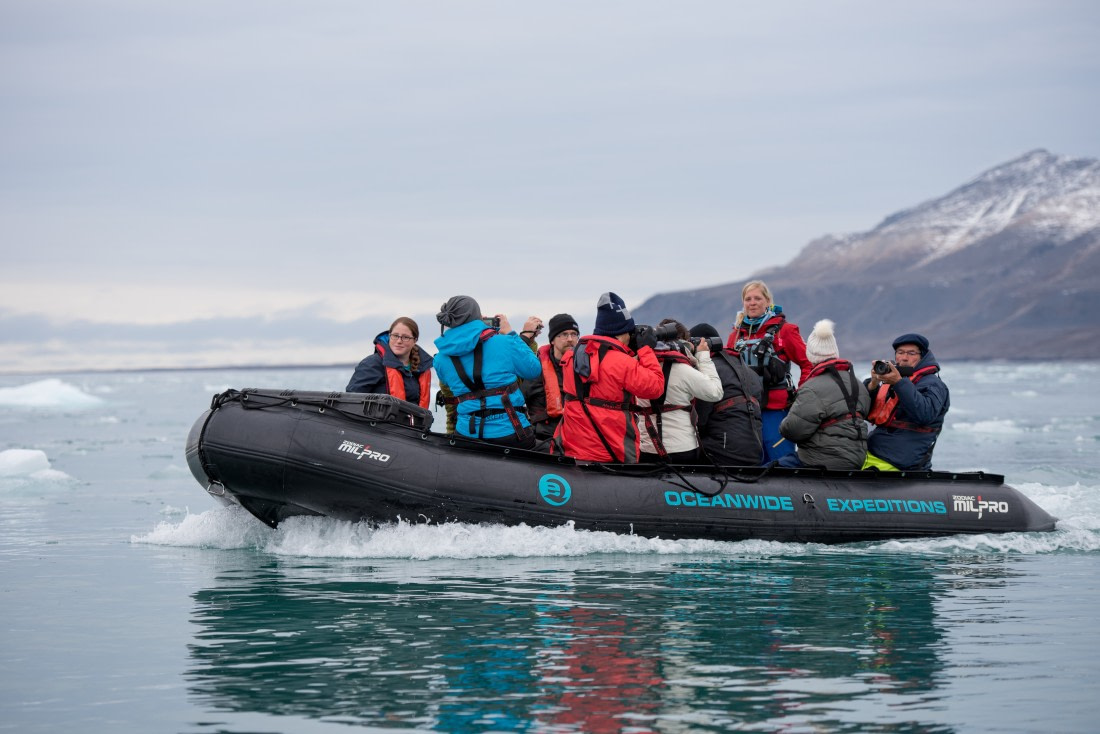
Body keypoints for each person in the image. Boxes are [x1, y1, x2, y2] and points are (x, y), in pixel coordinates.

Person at [556, 292, 665, 463]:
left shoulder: (571, 357)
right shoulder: (622, 363)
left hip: (574, 448)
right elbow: (655, 388)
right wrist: (645, 350)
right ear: (622, 332)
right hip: (611, 450)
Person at [433, 295, 542, 449]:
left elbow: (451, 389)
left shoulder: (440, 360)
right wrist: (510, 333)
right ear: (477, 317)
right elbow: (533, 370)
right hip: (511, 432)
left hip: (465, 435)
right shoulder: (505, 342)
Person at [726, 279, 813, 464]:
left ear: (767, 301)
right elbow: (727, 369)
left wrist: (802, 395)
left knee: (780, 461)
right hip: (745, 411)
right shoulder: (736, 335)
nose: (752, 302)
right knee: (751, 461)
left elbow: (809, 363)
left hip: (775, 410)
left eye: (757, 298)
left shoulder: (785, 331)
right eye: (748, 299)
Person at [777, 319, 871, 470]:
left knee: (772, 469)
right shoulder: (858, 384)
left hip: (820, 459)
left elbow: (793, 431)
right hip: (857, 458)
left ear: (811, 355)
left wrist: (782, 422)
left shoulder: (812, 388)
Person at [635, 319, 723, 464]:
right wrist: (703, 357)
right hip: (682, 450)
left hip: (648, 449)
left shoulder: (639, 368)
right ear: (683, 343)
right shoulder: (683, 370)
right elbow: (715, 392)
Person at [863, 333, 950, 471]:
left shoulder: (934, 384)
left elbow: (924, 414)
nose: (904, 358)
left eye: (911, 353)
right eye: (900, 352)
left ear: (922, 356)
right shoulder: (894, 380)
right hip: (875, 449)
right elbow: (864, 412)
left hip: (901, 460)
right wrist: (873, 384)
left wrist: (899, 383)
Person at [690, 322, 765, 466]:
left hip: (723, 453)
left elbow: (700, 421)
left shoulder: (709, 372)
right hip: (755, 453)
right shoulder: (749, 372)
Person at [345, 317, 434, 408]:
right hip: (380, 421)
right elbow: (350, 401)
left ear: (415, 340)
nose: (399, 341)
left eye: (405, 337)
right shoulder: (372, 364)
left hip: (412, 421)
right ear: (389, 336)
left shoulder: (421, 368)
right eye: (395, 336)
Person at [519, 313, 581, 442]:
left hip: (578, 438)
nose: (570, 339)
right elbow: (516, 401)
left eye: (574, 334)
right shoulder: (536, 371)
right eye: (564, 334)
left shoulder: (584, 369)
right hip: (545, 439)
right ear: (552, 340)